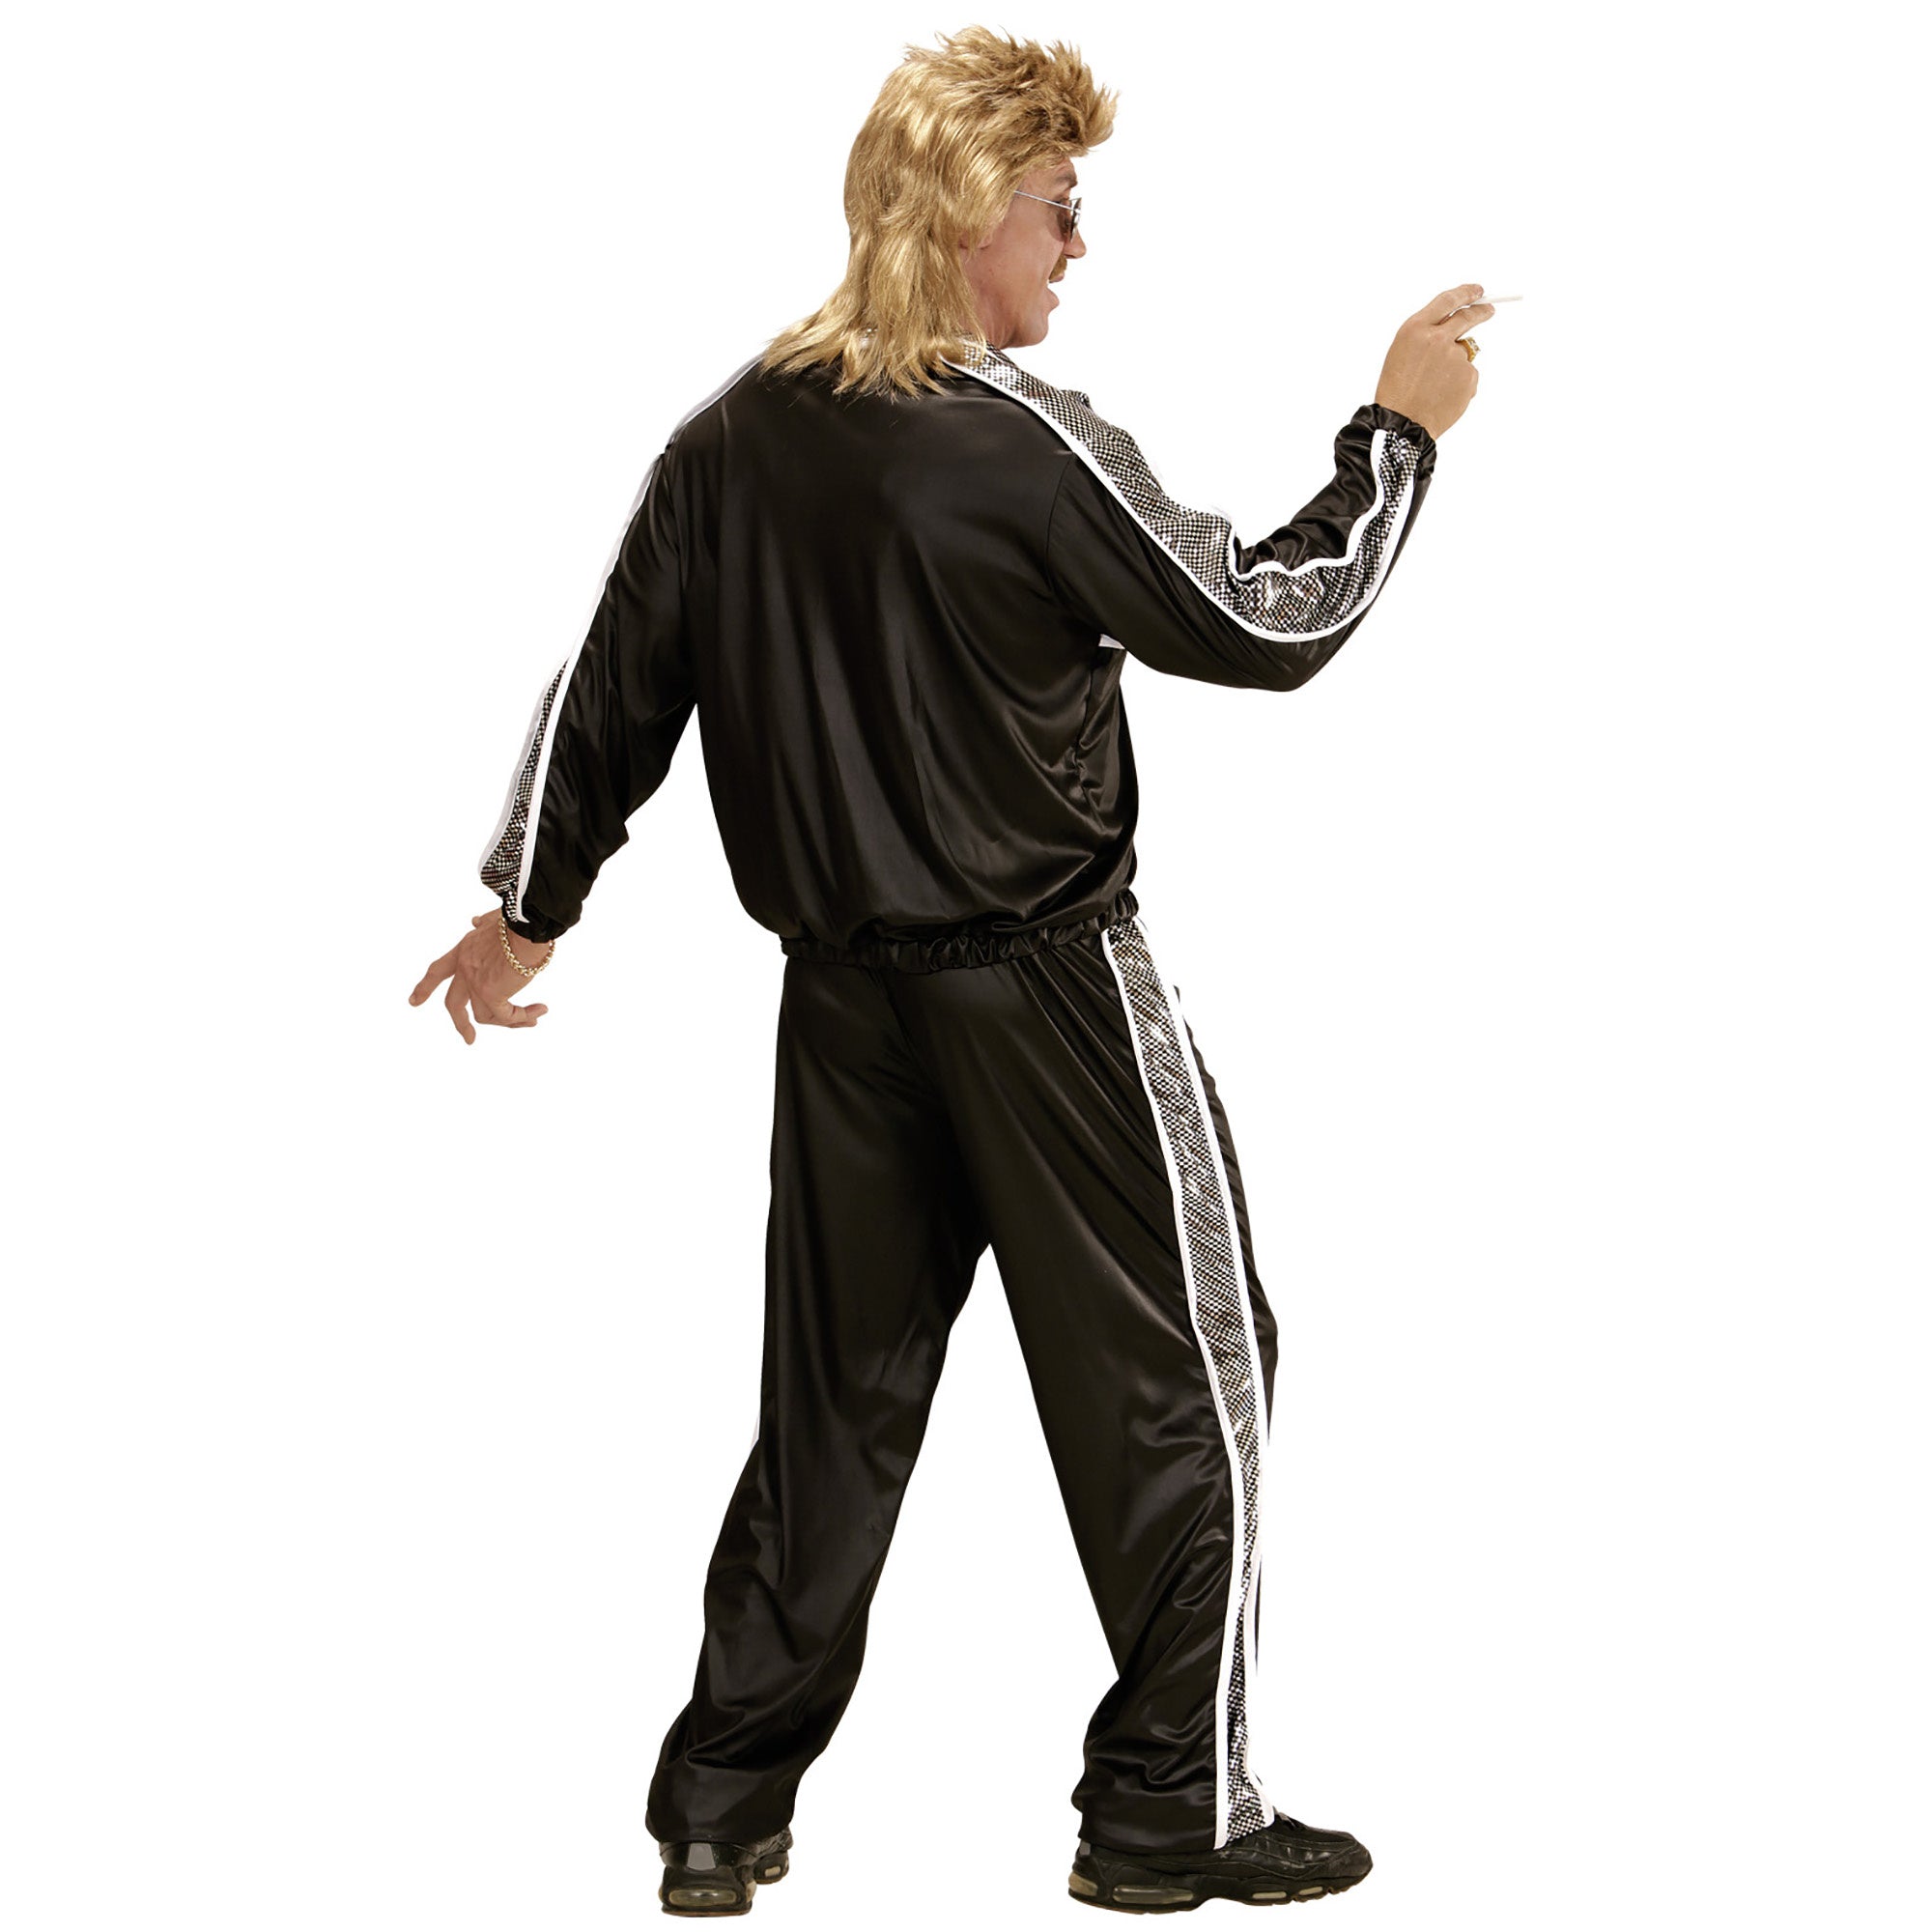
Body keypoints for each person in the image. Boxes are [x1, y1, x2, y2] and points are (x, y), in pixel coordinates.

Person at [409, 23, 1489, 1918]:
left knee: (831, 1412)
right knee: (1191, 1379)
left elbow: (611, 688)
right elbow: (1263, 618)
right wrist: (1395, 436)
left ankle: (717, 1809)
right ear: (972, 201)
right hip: (1047, 999)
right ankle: (1166, 1810)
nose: (1079, 243)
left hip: (843, 1013)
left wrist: (527, 907)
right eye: (1060, 205)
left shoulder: (732, 437)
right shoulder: (1015, 443)